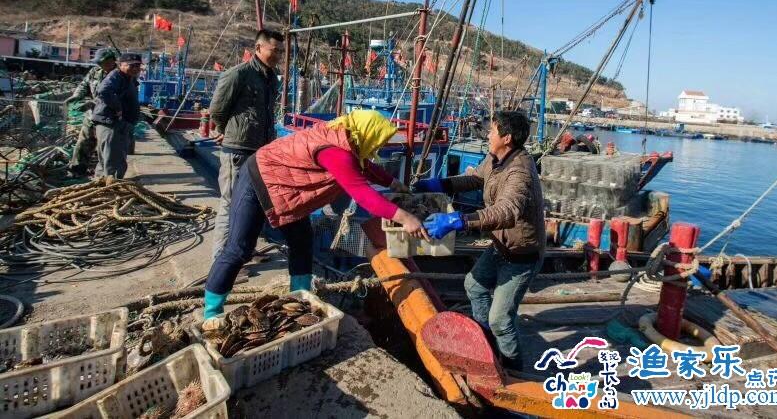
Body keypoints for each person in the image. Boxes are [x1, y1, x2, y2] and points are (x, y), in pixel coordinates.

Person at [203, 110, 430, 319]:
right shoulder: (336, 152)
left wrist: (393, 182)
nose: (378, 147)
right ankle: (211, 313)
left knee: (302, 243)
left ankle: (299, 300)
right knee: (239, 249)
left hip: (286, 190)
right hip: (258, 179)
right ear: (367, 134)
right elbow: (363, 195)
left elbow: (365, 167)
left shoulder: (346, 138)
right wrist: (406, 218)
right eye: (378, 140)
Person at [417, 111, 545, 371]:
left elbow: (507, 211)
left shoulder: (519, 172)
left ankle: (513, 370)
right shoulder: (496, 158)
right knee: (474, 285)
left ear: (507, 138)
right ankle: (487, 344)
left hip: (522, 255)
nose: (488, 134)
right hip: (501, 246)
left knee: (500, 320)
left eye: (492, 131)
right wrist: (439, 184)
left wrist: (460, 221)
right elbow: (475, 178)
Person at [208, 29, 283, 263]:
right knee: (231, 203)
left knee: (254, 203)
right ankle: (222, 259)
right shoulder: (238, 74)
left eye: (281, 52)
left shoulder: (271, 78)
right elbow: (217, 110)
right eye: (274, 50)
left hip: (261, 151)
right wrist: (227, 131)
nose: (278, 55)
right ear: (258, 48)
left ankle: (245, 249)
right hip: (239, 151)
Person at [65, 48, 117, 177]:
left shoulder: (119, 75)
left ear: (112, 61)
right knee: (84, 142)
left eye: (103, 62)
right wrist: (76, 95)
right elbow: (84, 85)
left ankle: (105, 175)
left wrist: (93, 102)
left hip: (109, 117)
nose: (100, 65)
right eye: (99, 62)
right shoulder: (95, 71)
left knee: (106, 147)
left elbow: (113, 97)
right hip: (92, 115)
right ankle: (77, 170)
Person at [91, 53, 142, 178]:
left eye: (138, 65)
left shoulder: (128, 78)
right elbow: (103, 91)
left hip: (121, 125)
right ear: (120, 65)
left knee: (112, 159)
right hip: (111, 123)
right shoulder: (116, 76)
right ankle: (110, 186)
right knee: (112, 161)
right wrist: (117, 107)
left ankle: (103, 183)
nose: (135, 68)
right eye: (131, 65)